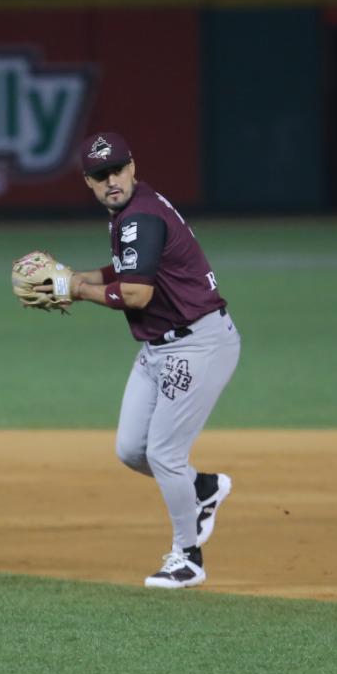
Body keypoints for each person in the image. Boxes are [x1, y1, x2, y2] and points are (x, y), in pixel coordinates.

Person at [61, 131, 241, 589]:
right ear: (88, 181)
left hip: (197, 344)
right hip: (160, 347)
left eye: (117, 169)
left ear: (133, 166)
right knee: (131, 450)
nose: (111, 180)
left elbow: (137, 293)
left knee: (164, 452)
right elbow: (131, 268)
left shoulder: (139, 215)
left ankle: (188, 557)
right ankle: (201, 489)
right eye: (100, 175)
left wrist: (77, 290)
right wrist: (80, 276)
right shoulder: (132, 212)